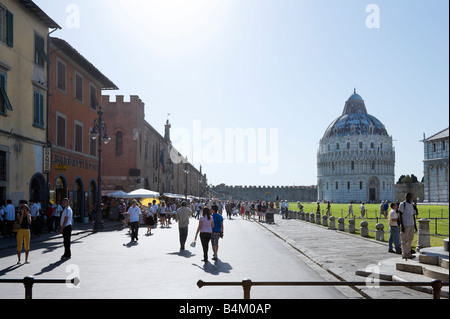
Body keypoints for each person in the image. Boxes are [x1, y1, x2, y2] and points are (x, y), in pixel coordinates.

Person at [398, 193, 417, 259]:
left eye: (410, 196)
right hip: (405, 225)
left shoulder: (411, 205)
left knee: (410, 240)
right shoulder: (402, 204)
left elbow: (413, 215)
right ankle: (404, 254)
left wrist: (415, 226)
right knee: (404, 240)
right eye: (408, 196)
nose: (409, 198)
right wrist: (402, 225)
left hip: (411, 224)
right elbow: (400, 215)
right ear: (406, 197)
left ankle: (408, 253)